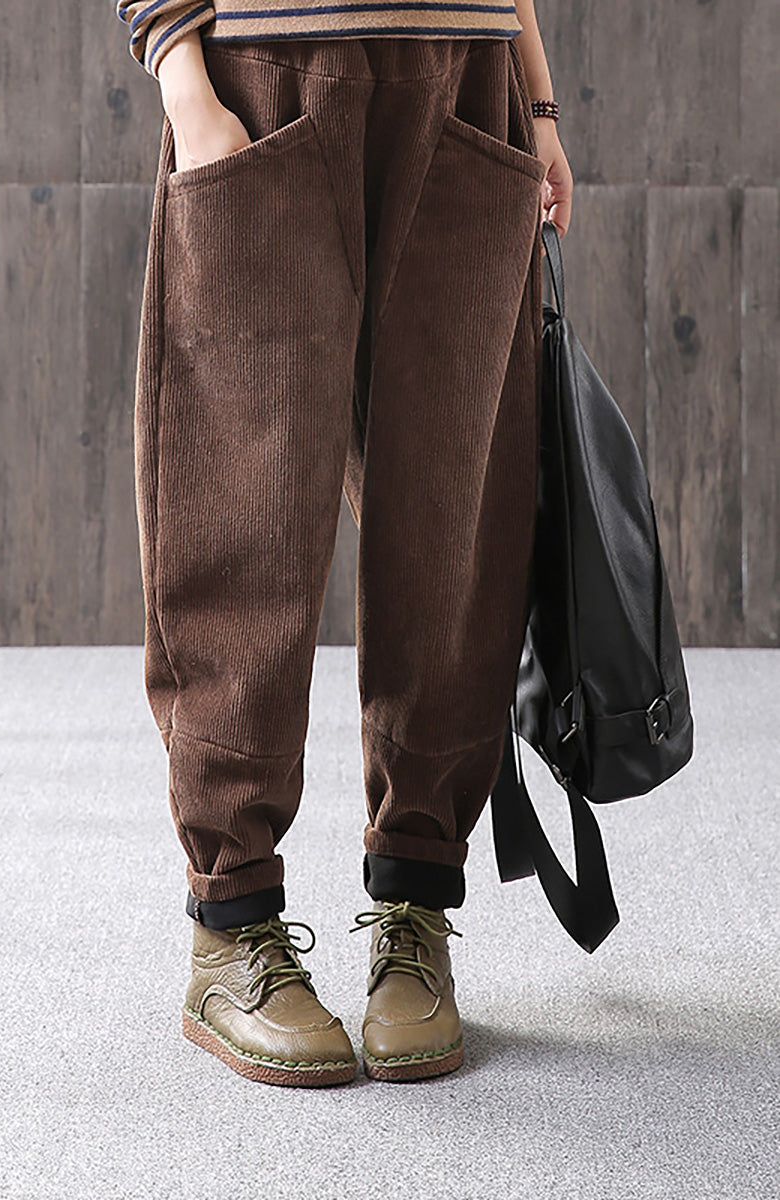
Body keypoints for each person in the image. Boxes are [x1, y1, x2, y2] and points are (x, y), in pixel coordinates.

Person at [115, 0, 573, 1087]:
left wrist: (539, 97)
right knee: (243, 502)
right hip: (266, 71)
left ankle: (418, 904)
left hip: (468, 72)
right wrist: (186, 85)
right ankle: (231, 925)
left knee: (452, 511)